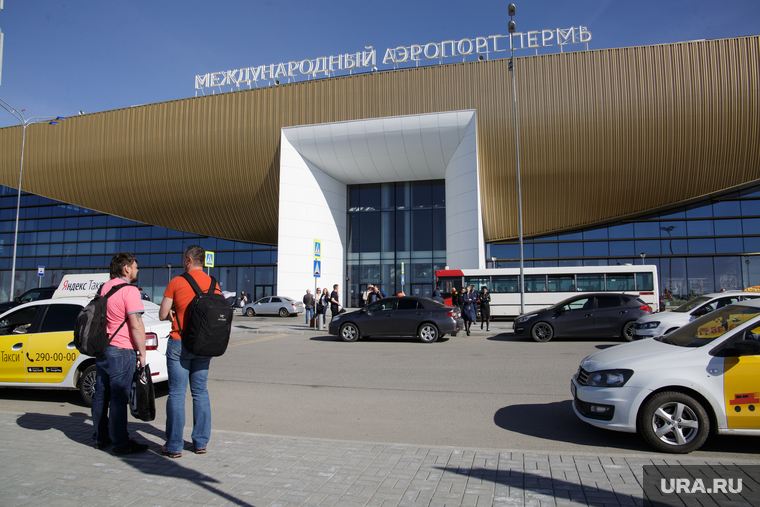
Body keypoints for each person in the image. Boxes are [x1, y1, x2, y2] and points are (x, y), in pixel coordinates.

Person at [158, 245, 220, 458]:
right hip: (204, 345)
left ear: (188, 260)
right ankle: (201, 442)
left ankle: (174, 446)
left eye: (183, 258)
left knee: (176, 393)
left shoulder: (177, 281)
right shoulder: (214, 283)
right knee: (200, 392)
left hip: (180, 342)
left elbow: (162, 313)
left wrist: (173, 315)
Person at [91, 252, 149, 454]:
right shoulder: (130, 290)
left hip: (103, 348)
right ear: (126, 268)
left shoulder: (104, 288)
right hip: (121, 349)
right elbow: (136, 325)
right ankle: (120, 443)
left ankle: (100, 438)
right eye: (135, 266)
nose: (137, 270)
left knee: (101, 395)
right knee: (118, 397)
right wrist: (142, 353)